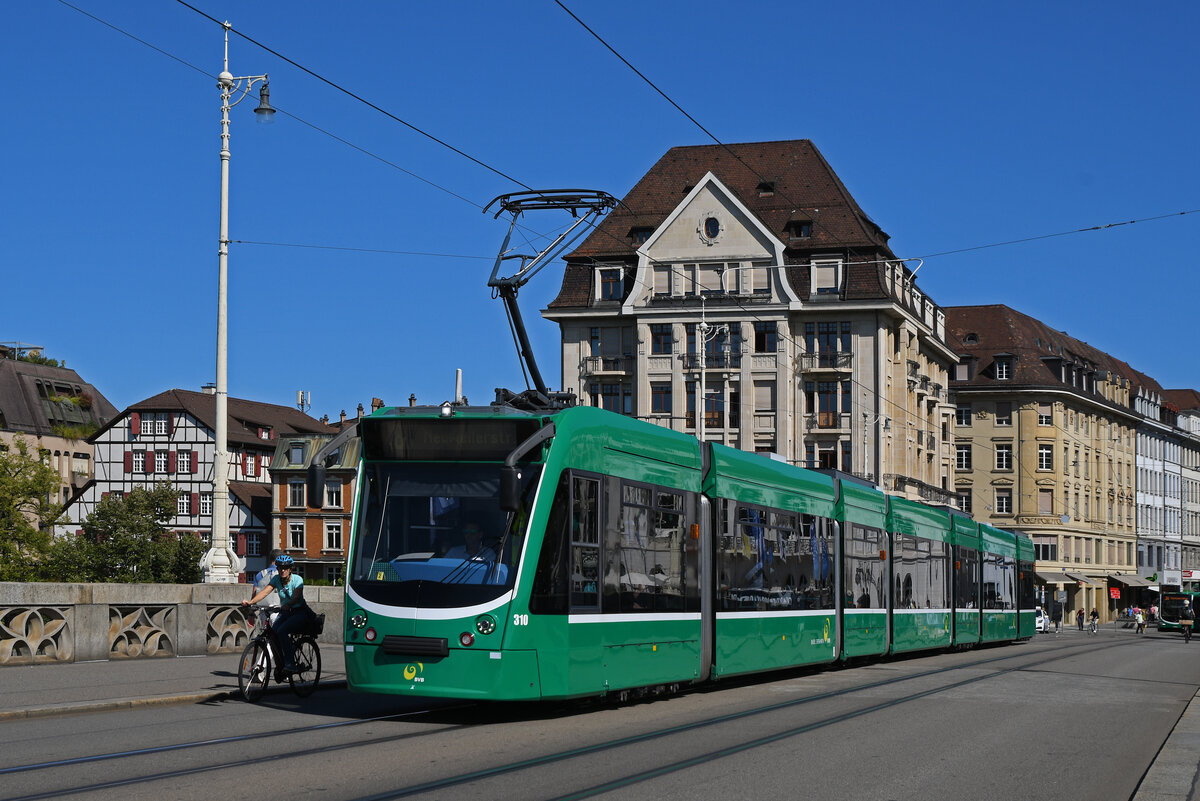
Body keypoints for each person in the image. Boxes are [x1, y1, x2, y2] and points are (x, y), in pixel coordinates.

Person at [241, 554, 314, 672]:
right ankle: (281, 661)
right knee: (273, 633)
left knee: (282, 631)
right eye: (280, 568)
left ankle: (290, 663)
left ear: (290, 569)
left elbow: (296, 597)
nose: (283, 570)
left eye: (285, 568)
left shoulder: (297, 579)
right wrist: (250, 602)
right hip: (286, 613)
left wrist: (288, 605)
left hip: (299, 612)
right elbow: (264, 592)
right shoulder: (276, 579)